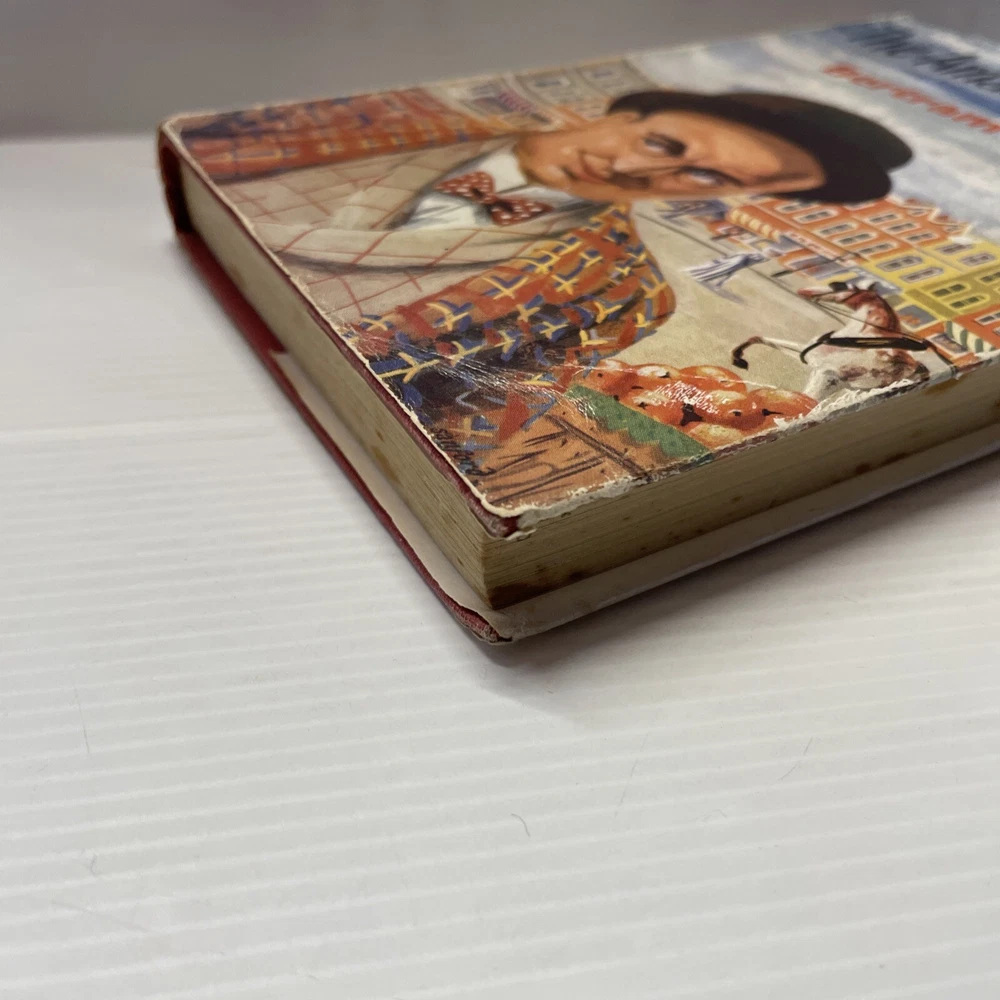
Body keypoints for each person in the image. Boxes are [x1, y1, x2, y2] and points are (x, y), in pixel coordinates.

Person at [183, 89, 913, 471]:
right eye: (662, 142)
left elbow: (466, 426)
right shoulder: (363, 123)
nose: (634, 171)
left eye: (701, 177)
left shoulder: (623, 290)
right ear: (629, 110)